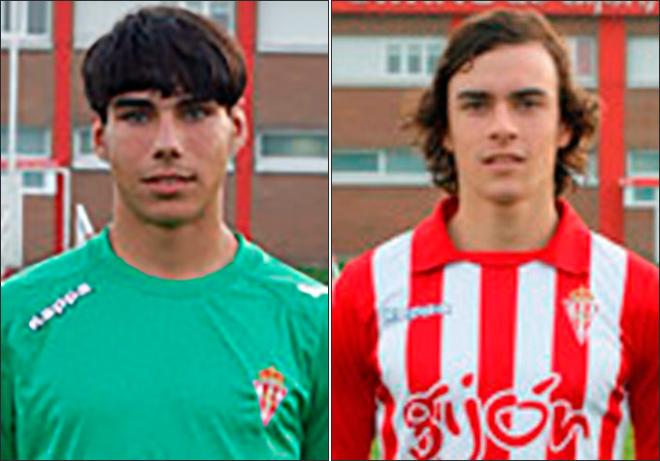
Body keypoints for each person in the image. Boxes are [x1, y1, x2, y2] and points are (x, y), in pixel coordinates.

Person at [1, 6, 328, 460]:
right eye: (138, 116)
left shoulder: (314, 321)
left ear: (236, 129)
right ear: (100, 138)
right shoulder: (18, 315)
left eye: (194, 113)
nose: (167, 144)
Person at [332, 8, 658, 461]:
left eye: (528, 103)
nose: (502, 127)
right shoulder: (365, 288)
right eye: (476, 104)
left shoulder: (638, 293)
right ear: (445, 129)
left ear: (565, 125)